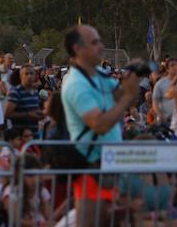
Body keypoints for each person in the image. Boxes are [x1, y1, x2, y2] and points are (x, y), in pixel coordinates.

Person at [61, 24, 140, 225]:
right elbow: (99, 124)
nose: (101, 46)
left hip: (110, 164)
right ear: (78, 49)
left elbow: (124, 97)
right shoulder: (76, 84)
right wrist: (127, 96)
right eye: (95, 42)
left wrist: (132, 79)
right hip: (91, 168)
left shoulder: (98, 74)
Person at [4, 63, 42, 133]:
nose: (29, 76)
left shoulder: (35, 92)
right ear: (21, 76)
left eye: (31, 73)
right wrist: (27, 114)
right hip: (20, 137)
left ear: (35, 76)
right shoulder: (16, 91)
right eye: (26, 74)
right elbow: (7, 114)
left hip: (34, 136)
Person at [153, 58, 177, 127]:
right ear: (167, 69)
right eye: (172, 65)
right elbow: (155, 103)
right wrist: (161, 116)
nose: (175, 67)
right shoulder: (160, 84)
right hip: (166, 121)